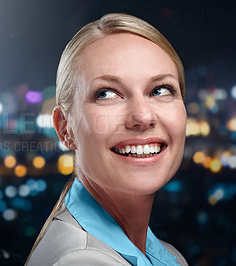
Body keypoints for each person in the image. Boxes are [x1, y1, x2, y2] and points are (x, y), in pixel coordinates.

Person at [26, 13, 189, 266]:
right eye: (107, 94)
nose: (143, 116)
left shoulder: (167, 256)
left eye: (160, 90)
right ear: (64, 128)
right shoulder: (82, 261)